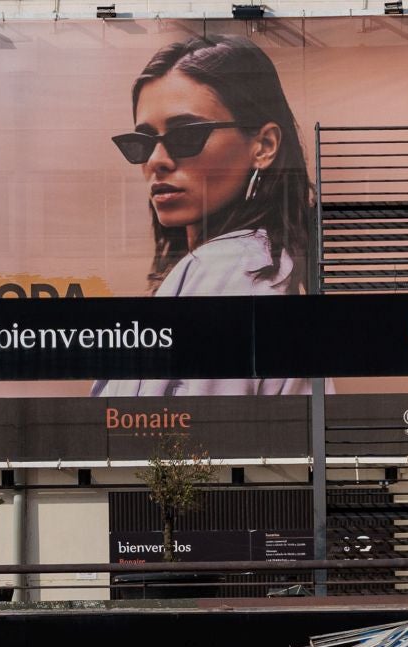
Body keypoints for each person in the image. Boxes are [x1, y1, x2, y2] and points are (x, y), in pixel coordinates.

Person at [93, 34, 315, 397]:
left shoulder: (228, 269)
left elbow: (200, 440)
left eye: (185, 136)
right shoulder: (259, 269)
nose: (156, 161)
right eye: (143, 143)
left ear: (264, 146)